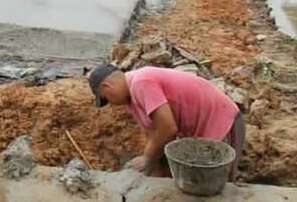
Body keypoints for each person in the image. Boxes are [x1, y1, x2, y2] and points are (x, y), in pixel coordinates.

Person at [87, 63, 244, 180]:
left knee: (220, 185)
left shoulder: (141, 82)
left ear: (107, 86)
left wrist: (147, 158)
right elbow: (153, 134)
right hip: (200, 133)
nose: (112, 103)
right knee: (200, 183)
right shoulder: (133, 101)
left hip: (221, 121)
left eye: (106, 98)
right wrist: (149, 169)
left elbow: (168, 128)